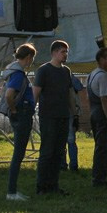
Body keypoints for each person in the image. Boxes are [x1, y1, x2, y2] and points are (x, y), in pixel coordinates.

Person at [33, 40, 75, 195]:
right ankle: (42, 186)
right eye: (63, 52)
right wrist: (31, 112)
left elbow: (70, 93)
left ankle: (53, 185)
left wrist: (75, 113)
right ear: (54, 52)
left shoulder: (66, 71)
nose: (65, 55)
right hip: (48, 117)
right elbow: (36, 92)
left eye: (66, 52)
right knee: (47, 151)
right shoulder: (44, 70)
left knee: (59, 152)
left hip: (63, 116)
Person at [3, 44, 37, 201]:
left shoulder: (12, 71)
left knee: (19, 153)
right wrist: (14, 111)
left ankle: (12, 190)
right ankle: (11, 192)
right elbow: (9, 95)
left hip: (21, 113)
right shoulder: (18, 74)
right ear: (28, 57)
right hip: (22, 114)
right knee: (18, 154)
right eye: (32, 58)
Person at [87, 47, 107, 186]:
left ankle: (97, 177)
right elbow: (104, 98)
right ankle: (99, 179)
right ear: (102, 59)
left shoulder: (92, 74)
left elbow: (89, 97)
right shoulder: (103, 76)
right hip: (102, 114)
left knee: (99, 146)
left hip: (94, 113)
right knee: (103, 148)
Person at [60, 72, 84, 173]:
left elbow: (79, 87)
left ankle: (63, 165)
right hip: (70, 111)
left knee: (62, 141)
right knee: (70, 140)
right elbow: (79, 87)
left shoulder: (56, 75)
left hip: (61, 111)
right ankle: (73, 165)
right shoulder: (70, 76)